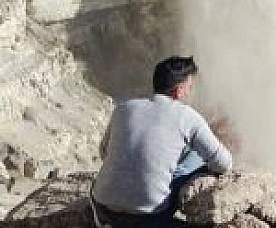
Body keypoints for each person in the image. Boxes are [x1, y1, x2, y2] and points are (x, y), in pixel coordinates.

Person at [92, 54, 232, 219]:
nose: (191, 92)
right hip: (150, 216)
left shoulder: (124, 108)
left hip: (102, 208)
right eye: (190, 86)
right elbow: (223, 164)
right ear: (178, 91)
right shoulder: (188, 117)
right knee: (197, 154)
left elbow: (104, 153)